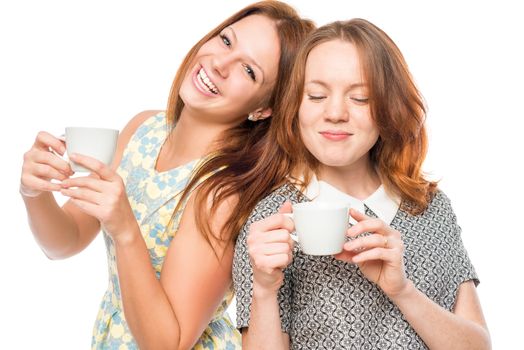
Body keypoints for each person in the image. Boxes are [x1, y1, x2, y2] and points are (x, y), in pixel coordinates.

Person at [19, 1, 314, 348]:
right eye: (226, 41)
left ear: (263, 109)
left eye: (249, 71)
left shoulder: (223, 190)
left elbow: (168, 343)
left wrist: (125, 230)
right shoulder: (144, 129)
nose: (219, 64)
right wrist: (35, 193)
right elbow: (65, 242)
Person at [233, 19, 491, 349]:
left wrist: (401, 289)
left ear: (389, 108)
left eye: (360, 98)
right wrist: (265, 289)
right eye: (316, 95)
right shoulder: (269, 222)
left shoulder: (429, 207)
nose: (336, 112)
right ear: (295, 106)